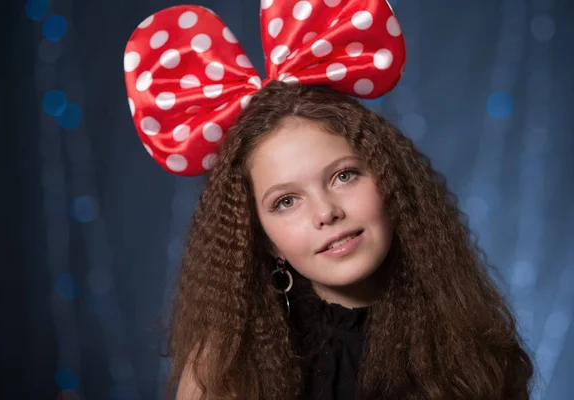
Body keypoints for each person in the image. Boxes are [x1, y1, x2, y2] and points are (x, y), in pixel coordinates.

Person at [123, 1, 535, 399]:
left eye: (344, 176)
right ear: (263, 239)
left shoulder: (471, 339)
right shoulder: (226, 370)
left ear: (390, 181)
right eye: (286, 201)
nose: (326, 213)